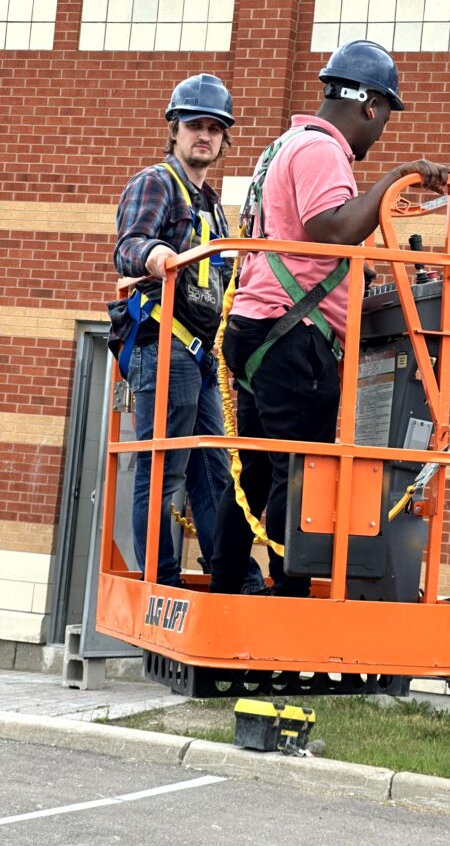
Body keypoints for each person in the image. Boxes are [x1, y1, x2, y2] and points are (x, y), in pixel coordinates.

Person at [209, 40, 450, 597]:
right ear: (369, 105)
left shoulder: (284, 146)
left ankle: (228, 586)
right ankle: (288, 603)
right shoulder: (322, 151)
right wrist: (397, 176)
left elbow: (302, 238)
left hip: (260, 328)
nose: (384, 129)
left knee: (255, 471)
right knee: (301, 479)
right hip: (292, 338)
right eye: (387, 115)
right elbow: (333, 230)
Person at [109, 73, 263, 590]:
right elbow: (128, 245)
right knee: (163, 470)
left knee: (216, 471)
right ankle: (163, 580)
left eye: (215, 128)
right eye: (195, 125)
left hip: (198, 356)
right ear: (174, 129)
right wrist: (157, 255)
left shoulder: (214, 206)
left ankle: (233, 577)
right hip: (164, 343)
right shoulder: (157, 183)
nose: (206, 135)